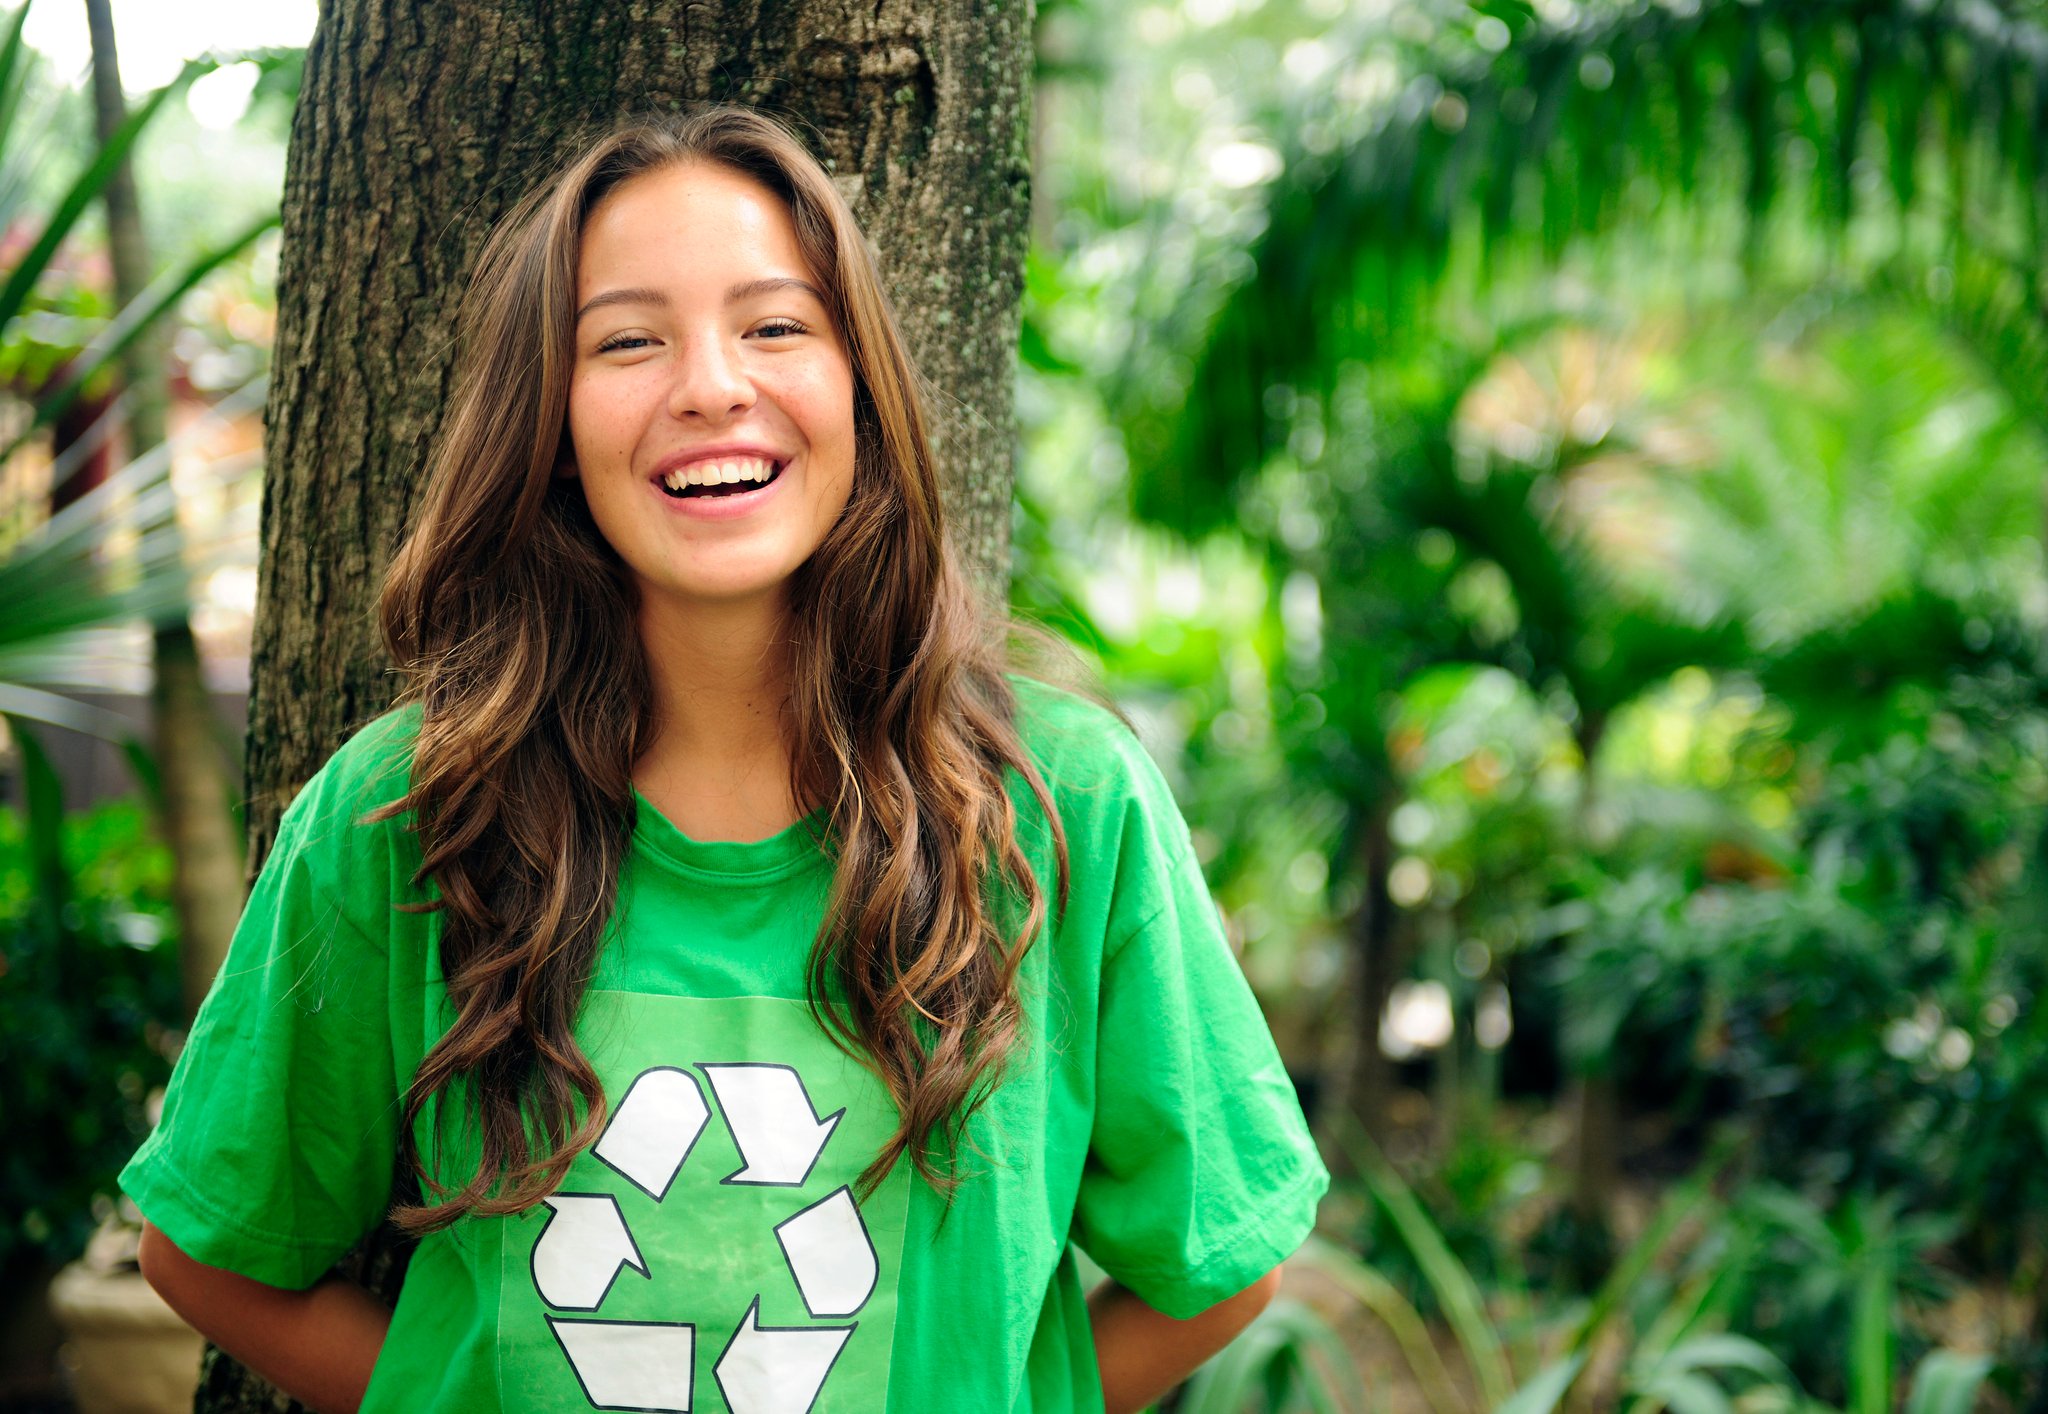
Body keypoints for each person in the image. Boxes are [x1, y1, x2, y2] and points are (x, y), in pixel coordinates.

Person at [121, 105, 1327, 1414]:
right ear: (550, 416)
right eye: (627, 340)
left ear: (861, 383)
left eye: (775, 325)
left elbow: (1222, 1257)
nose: (708, 384)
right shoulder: (400, 816)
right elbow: (208, 1249)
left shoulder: (1061, 805)